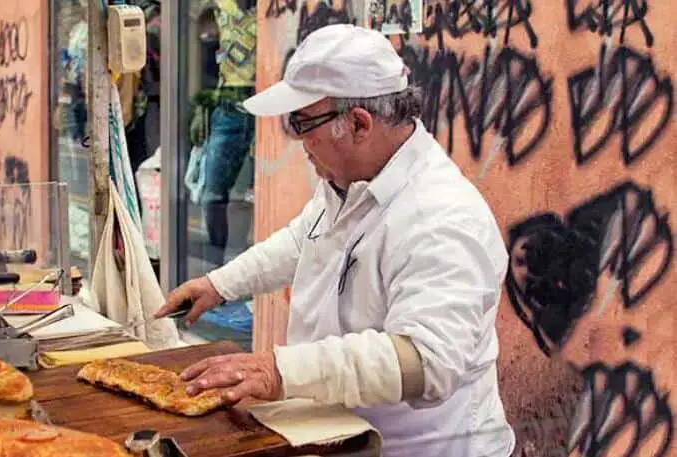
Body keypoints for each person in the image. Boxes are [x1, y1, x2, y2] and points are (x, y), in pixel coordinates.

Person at [154, 24, 515, 457]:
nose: (300, 141)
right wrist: (220, 285)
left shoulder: (441, 217)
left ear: (359, 123)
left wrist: (279, 370)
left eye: (303, 123)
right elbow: (302, 240)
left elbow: (425, 360)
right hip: (342, 437)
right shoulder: (352, 182)